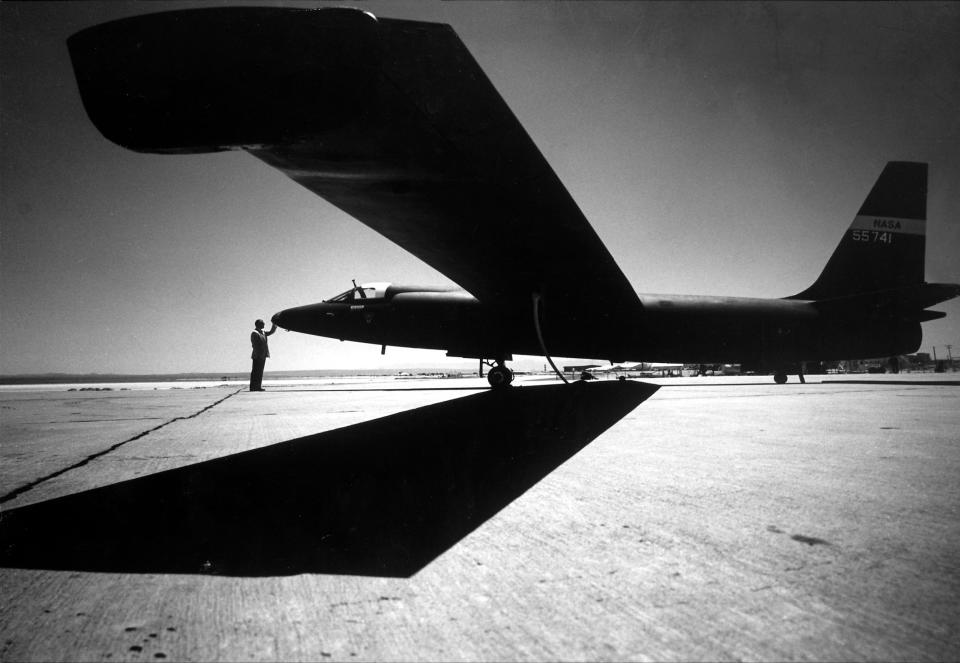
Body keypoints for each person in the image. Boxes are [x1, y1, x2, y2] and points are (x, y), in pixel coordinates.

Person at [250, 319, 277, 391]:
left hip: (263, 355)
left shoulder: (263, 332)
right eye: (263, 323)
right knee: (256, 372)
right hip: (257, 356)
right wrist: (258, 355)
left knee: (260, 372)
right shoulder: (254, 333)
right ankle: (253, 387)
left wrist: (274, 325)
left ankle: (258, 387)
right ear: (258, 324)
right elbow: (254, 346)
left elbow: (271, 332)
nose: (264, 324)